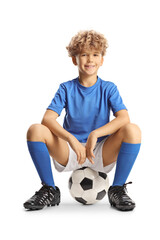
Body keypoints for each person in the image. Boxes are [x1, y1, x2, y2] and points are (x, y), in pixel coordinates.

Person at [23, 30, 141, 211]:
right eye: (84, 55)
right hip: (71, 151)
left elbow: (123, 118)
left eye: (95, 55)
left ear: (102, 60)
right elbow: (48, 119)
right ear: (74, 59)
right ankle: (49, 189)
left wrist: (96, 134)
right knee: (35, 130)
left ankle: (117, 189)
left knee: (133, 130)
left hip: (100, 151)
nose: (90, 60)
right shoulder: (66, 88)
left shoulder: (108, 88)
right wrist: (71, 139)